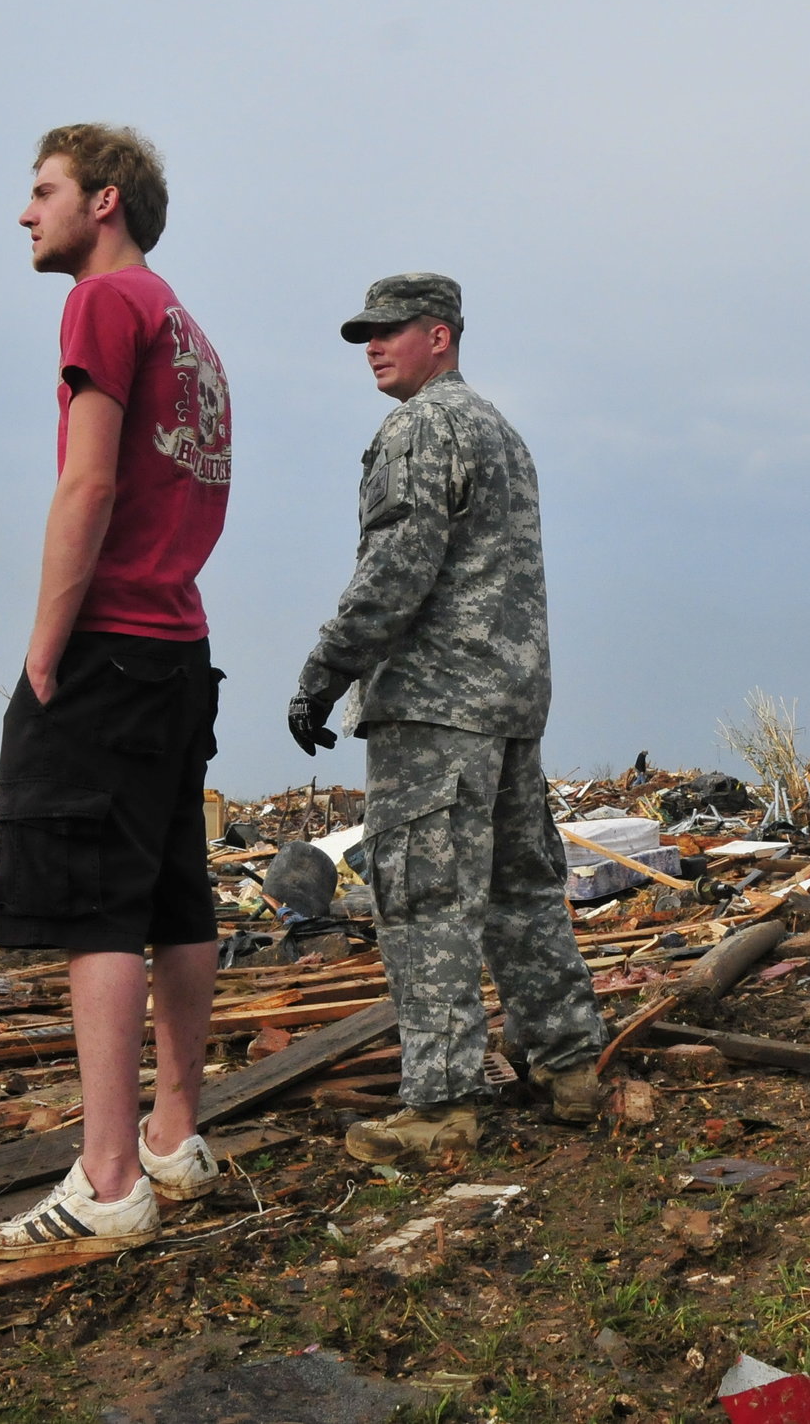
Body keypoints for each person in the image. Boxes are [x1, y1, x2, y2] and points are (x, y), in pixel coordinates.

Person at [0, 125, 233, 1258]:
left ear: (103, 200)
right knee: (174, 891)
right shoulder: (191, 329)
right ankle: (175, 1135)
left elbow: (89, 477)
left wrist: (44, 644)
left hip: (113, 639)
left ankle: (109, 1177)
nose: (26, 214)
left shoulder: (103, 307)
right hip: (178, 642)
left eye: (43, 192)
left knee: (95, 907)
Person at [290, 273, 608, 1164]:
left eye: (390, 330)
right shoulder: (500, 432)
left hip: (434, 707)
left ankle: (442, 1108)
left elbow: (398, 565)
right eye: (365, 332)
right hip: (507, 707)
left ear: (441, 335)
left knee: (425, 901)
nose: (372, 347)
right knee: (520, 890)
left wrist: (324, 672)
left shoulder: (421, 425)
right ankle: (568, 1065)